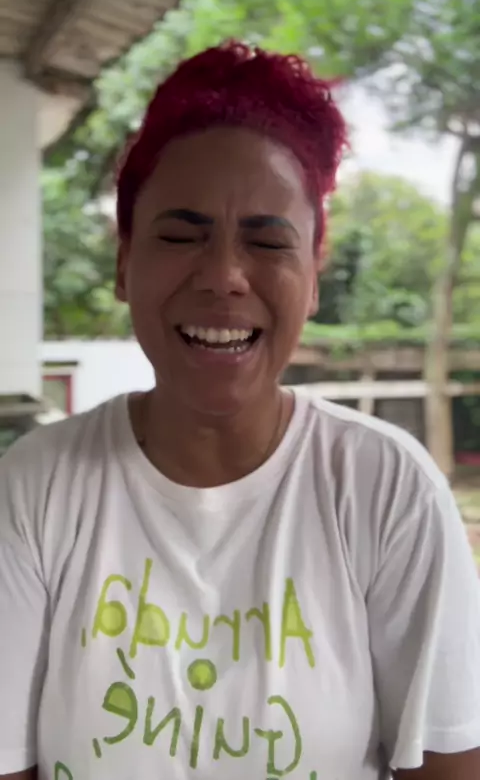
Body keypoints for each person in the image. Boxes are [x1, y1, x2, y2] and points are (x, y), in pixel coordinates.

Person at [0, 41, 479, 780]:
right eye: (180, 235)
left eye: (267, 241)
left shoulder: (384, 488)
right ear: (125, 264)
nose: (224, 275)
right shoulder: (37, 485)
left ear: (313, 276)